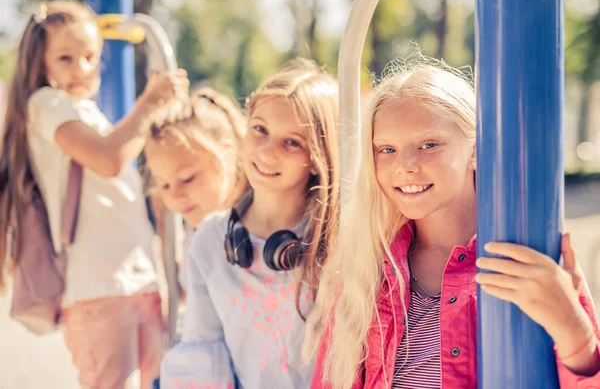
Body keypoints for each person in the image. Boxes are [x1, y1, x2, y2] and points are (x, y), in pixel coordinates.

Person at [304, 54, 600, 388]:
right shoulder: (364, 271)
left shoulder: (524, 253)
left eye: (428, 144)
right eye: (386, 149)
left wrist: (575, 333)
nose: (406, 165)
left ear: (475, 149)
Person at [0, 0, 189, 389]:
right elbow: (107, 159)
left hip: (138, 278)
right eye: (66, 58)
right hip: (96, 289)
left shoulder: (88, 114)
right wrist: (150, 102)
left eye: (90, 57)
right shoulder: (45, 104)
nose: (82, 69)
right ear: (40, 63)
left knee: (161, 380)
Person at [159, 58, 340, 389]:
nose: (268, 151)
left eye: (291, 142)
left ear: (317, 158)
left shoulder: (338, 238)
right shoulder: (210, 240)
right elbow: (203, 351)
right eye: (260, 130)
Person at [144, 88, 248, 293]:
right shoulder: (198, 227)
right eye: (163, 185)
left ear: (227, 153)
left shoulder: (255, 228)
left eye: (187, 179)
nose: (174, 196)